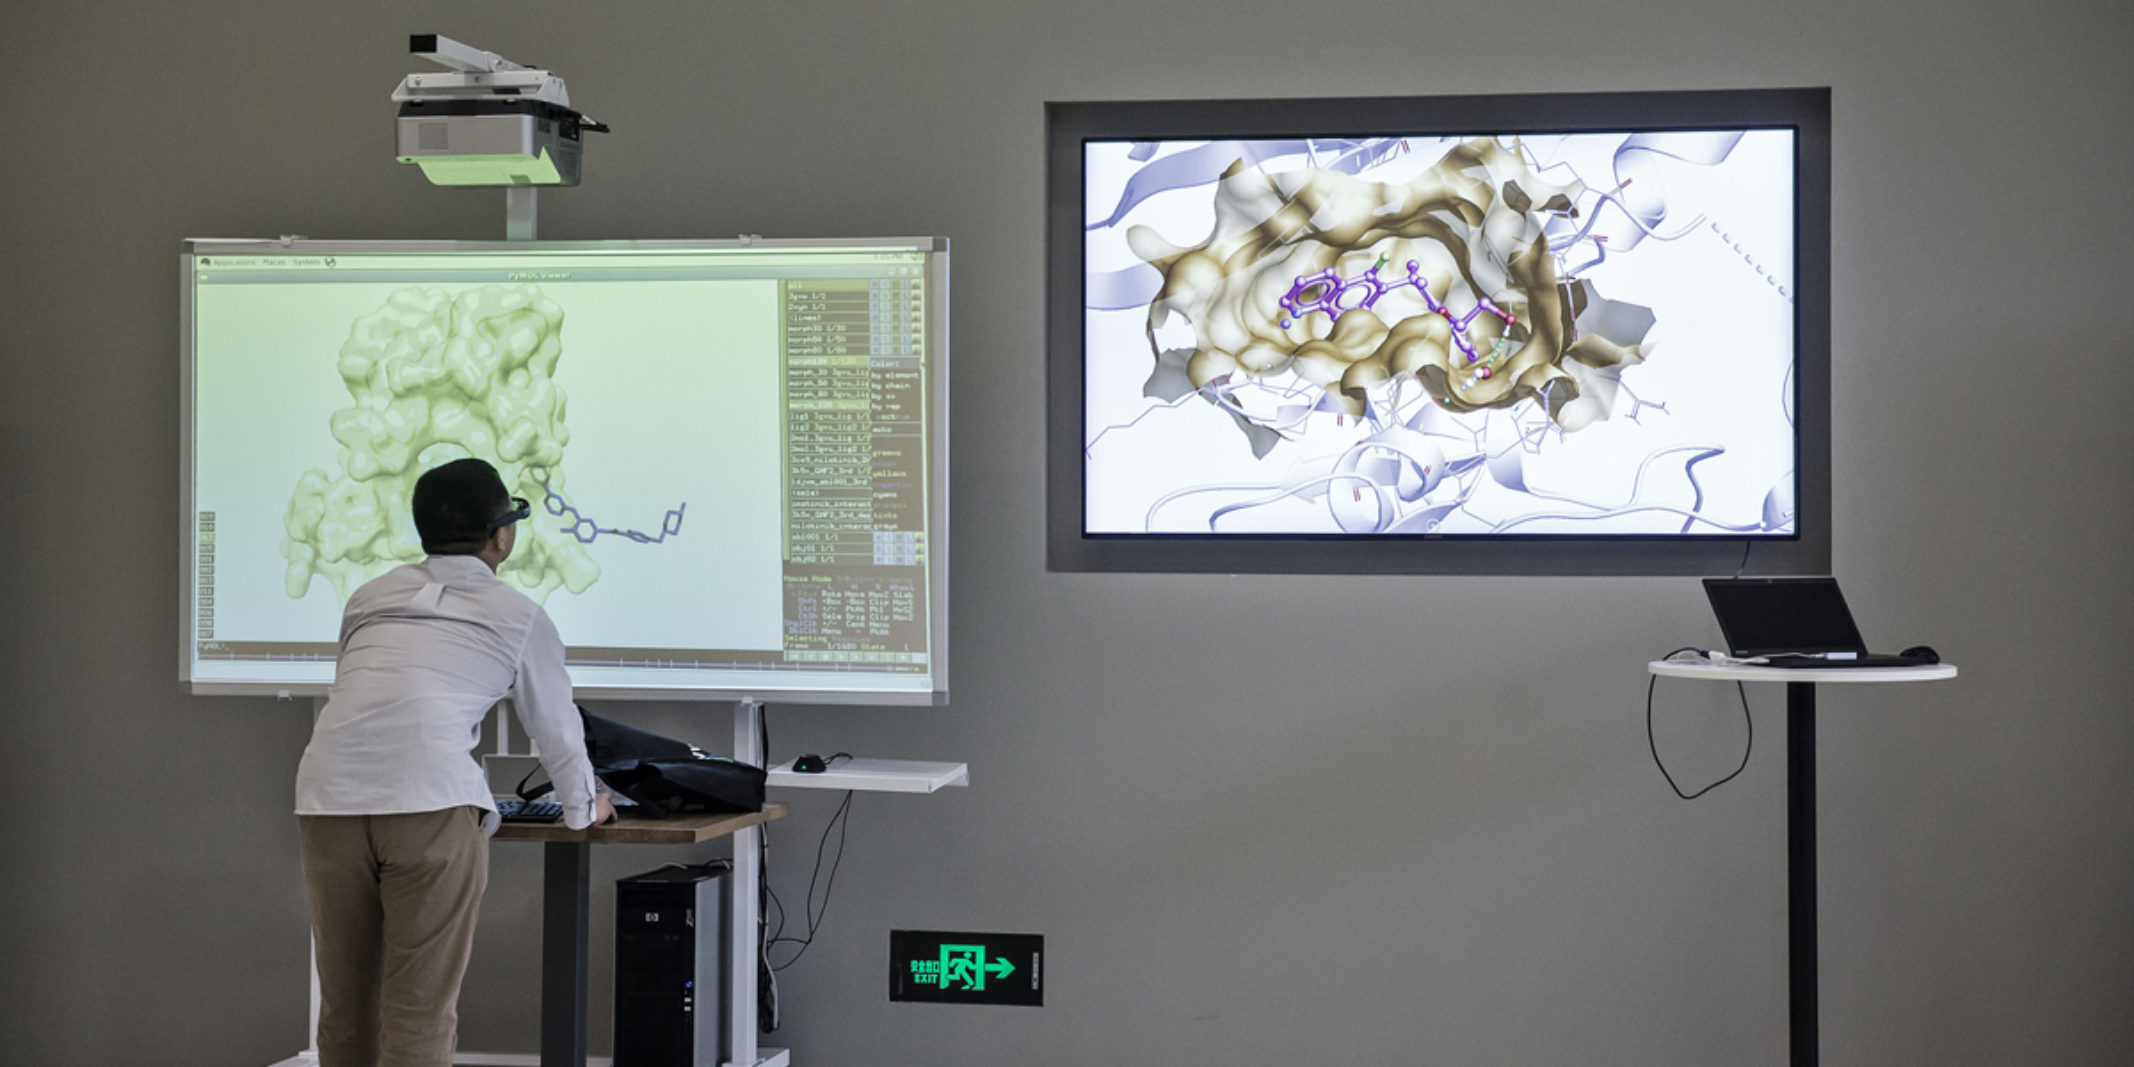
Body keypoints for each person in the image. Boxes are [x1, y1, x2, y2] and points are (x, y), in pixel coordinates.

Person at [294, 457, 616, 1067]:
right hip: (430, 801)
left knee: (343, 1009)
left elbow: (364, 695)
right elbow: (557, 730)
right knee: (418, 1012)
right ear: (502, 534)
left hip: (327, 798)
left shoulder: (368, 596)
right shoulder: (519, 616)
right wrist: (583, 809)